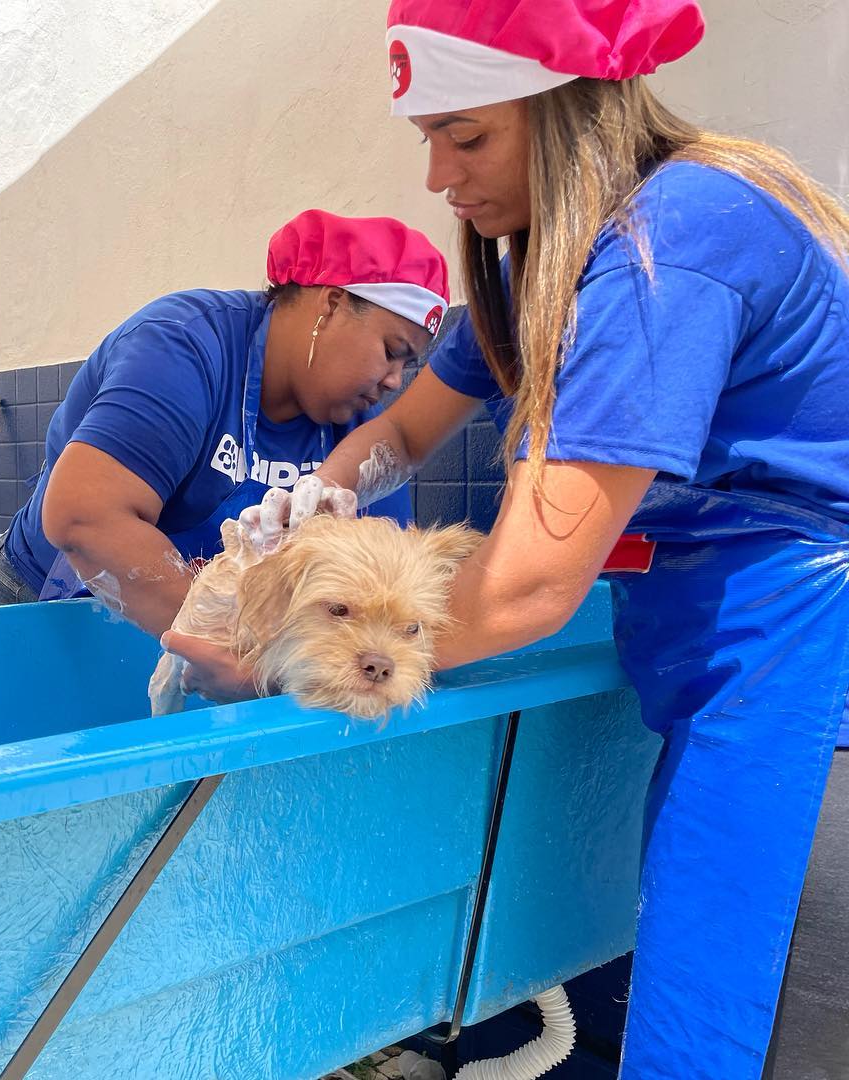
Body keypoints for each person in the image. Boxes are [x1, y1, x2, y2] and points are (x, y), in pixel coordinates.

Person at [166, 2, 849, 1076]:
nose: (439, 175)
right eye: (427, 138)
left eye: (467, 134)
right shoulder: (545, 264)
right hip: (694, 611)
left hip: (798, 637)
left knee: (710, 1003)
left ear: (574, 111)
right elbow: (396, 431)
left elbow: (528, 587)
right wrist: (317, 505)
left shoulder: (669, 245)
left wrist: (275, 656)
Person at [0, 209, 450, 639]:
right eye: (392, 352)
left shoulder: (359, 426)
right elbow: (85, 517)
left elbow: (385, 576)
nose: (394, 381)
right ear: (329, 306)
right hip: (58, 601)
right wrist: (237, 649)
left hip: (221, 621)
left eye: (407, 368)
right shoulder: (183, 348)